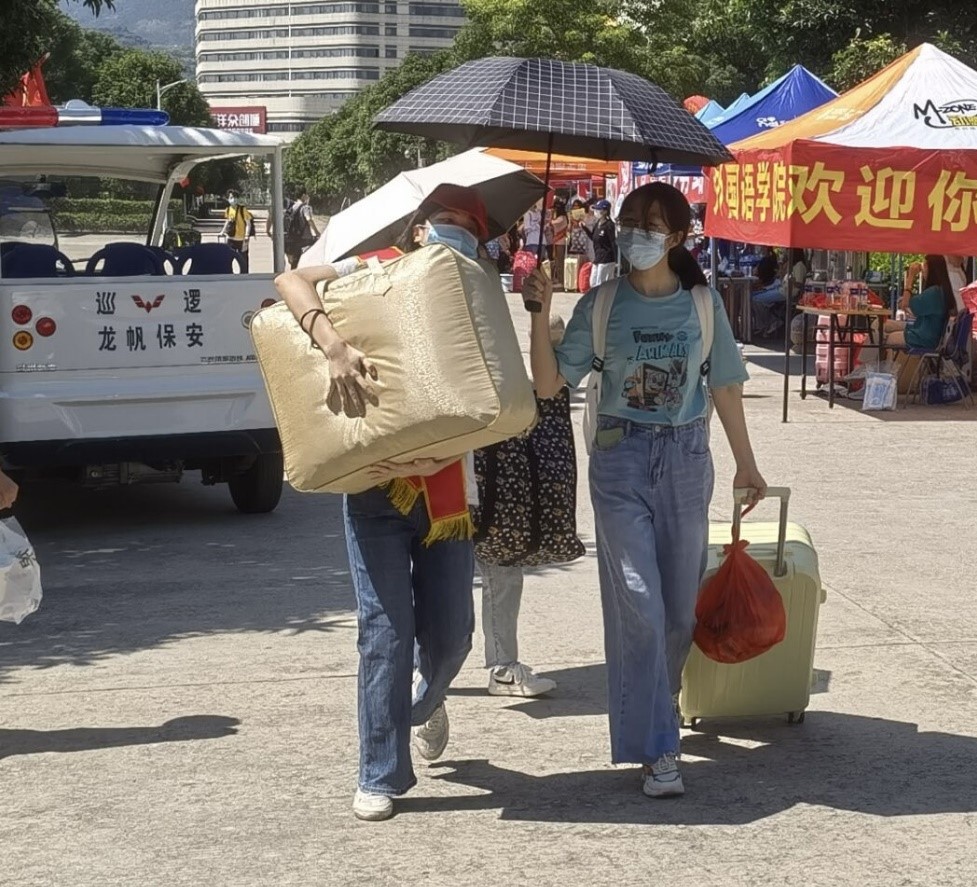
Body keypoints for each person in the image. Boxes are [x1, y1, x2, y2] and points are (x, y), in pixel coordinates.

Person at [524, 181, 767, 799]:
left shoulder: (703, 305)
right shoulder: (601, 304)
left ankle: (663, 695)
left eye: (650, 224)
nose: (635, 233)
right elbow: (549, 386)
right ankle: (659, 747)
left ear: (678, 236)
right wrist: (537, 313)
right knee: (639, 601)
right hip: (619, 460)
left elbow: (725, 386)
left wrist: (746, 464)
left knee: (678, 612)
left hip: (686, 459)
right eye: (629, 221)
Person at [272, 184, 493, 822]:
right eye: (444, 220)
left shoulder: (475, 295)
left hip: (448, 491)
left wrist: (536, 310)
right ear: (419, 228)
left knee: (452, 637)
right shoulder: (371, 271)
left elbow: (492, 401)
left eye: (467, 227)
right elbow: (290, 282)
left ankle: (421, 702)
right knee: (384, 633)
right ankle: (380, 771)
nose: (453, 232)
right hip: (374, 485)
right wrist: (334, 345)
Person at [883, 255, 957, 350]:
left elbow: (904, 305)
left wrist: (911, 276)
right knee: (883, 325)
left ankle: (871, 357)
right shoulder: (941, 290)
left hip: (922, 337)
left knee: (888, 337)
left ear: (932, 270)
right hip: (923, 330)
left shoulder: (933, 293)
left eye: (925, 266)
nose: (923, 270)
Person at [751, 248, 808, 338]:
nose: (787, 253)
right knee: (755, 295)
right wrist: (782, 269)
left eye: (788, 251)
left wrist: (792, 281)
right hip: (782, 289)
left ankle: (768, 323)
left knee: (755, 299)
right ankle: (770, 321)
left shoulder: (799, 265)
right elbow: (782, 279)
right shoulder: (791, 265)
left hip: (788, 292)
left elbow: (799, 284)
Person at [284, 191, 319, 270]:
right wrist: (317, 232)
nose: (308, 197)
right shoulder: (305, 207)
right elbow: (309, 219)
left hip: (293, 235)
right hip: (303, 236)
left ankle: (294, 268)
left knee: (296, 258)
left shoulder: (292, 206)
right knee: (317, 243)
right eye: (307, 195)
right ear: (303, 195)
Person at [586, 199, 618, 285]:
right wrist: (584, 228)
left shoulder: (609, 225)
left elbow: (613, 242)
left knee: (600, 283)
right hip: (598, 257)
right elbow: (593, 238)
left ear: (605, 211)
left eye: (598, 209)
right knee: (592, 282)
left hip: (607, 259)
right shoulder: (597, 223)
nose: (596, 212)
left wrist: (616, 260)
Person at [221, 190, 254, 269]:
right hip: (230, 238)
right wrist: (222, 231)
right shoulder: (228, 210)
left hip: (241, 239)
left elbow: (248, 223)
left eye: (235, 197)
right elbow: (227, 221)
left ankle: (244, 274)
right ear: (228, 199)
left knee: (243, 260)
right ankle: (229, 273)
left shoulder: (242, 209)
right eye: (231, 197)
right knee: (228, 259)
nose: (234, 199)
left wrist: (246, 235)